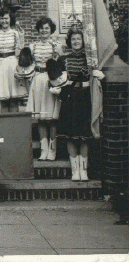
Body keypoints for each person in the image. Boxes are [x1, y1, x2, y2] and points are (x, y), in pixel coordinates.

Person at [53, 26, 104, 181]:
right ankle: (75, 170)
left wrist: (100, 75)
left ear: (83, 41)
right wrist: (55, 86)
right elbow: (56, 78)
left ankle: (84, 170)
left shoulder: (90, 59)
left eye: (79, 39)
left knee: (84, 135)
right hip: (70, 97)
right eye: (73, 39)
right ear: (70, 41)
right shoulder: (63, 59)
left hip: (85, 97)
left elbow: (96, 76)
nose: (76, 42)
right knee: (70, 135)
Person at [26, 17, 64, 160]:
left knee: (52, 117)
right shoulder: (33, 46)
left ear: (51, 30)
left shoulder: (57, 45)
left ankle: (53, 150)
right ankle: (44, 149)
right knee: (41, 118)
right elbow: (27, 64)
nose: (44, 30)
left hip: (51, 80)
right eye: (41, 28)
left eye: (47, 28)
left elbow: (61, 65)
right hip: (37, 79)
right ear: (38, 30)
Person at [0, 8, 27, 113]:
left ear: (10, 19)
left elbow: (19, 51)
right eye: (1, 18)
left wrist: (21, 37)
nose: (4, 21)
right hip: (0, 66)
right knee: (3, 99)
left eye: (6, 18)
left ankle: (14, 126)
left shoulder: (16, 33)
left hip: (12, 64)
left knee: (13, 100)